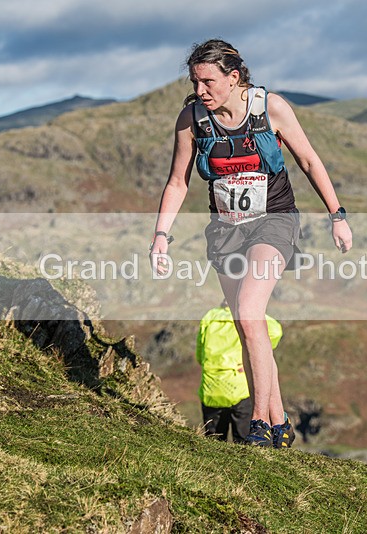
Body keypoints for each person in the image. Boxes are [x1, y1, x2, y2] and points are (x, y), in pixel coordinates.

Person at [150, 39, 352, 447]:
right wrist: (160, 237)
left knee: (247, 311)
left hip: (274, 223)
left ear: (234, 77)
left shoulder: (270, 108)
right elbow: (177, 181)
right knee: (249, 328)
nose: (200, 90)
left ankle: (257, 423)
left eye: (208, 81)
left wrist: (338, 216)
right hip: (226, 231)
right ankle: (280, 425)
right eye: (195, 81)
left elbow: (310, 161)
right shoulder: (192, 119)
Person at [197, 301, 283, 443]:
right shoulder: (247, 314)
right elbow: (276, 331)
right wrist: (257, 356)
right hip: (240, 386)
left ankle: (212, 465)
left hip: (211, 387)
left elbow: (199, 354)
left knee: (213, 441)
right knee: (245, 440)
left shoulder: (209, 317)